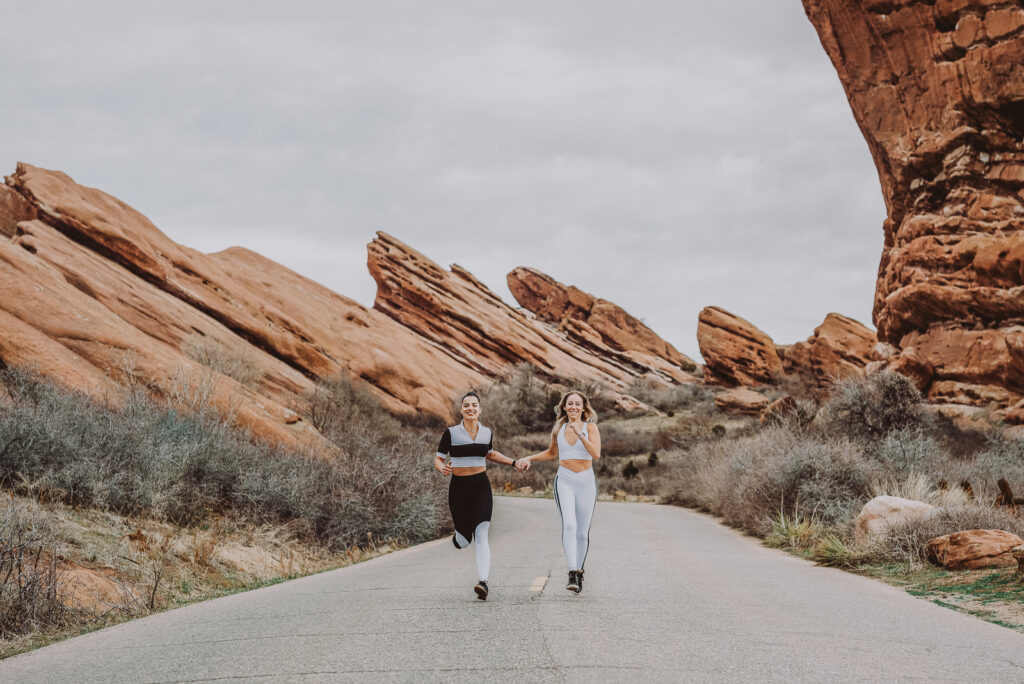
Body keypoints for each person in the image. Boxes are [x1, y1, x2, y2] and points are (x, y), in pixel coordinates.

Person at [434, 391, 518, 600]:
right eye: (466, 405)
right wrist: (441, 467)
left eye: (474, 405)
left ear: (480, 409)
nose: (470, 408)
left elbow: (490, 453)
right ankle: (461, 536)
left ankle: (483, 583)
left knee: (482, 534)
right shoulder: (451, 433)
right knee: (464, 540)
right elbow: (438, 458)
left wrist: (514, 462)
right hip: (458, 489)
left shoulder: (487, 432)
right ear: (461, 410)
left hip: (481, 487)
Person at [516, 390, 601, 593]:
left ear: (583, 408)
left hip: (586, 481)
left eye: (577, 404)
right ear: (564, 407)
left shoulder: (591, 427)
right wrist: (529, 458)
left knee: (582, 531)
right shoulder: (558, 429)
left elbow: (595, 454)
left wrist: (580, 433)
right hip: (565, 480)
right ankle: (572, 572)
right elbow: (551, 453)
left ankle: (579, 573)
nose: (573, 407)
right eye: (569, 403)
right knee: (569, 525)